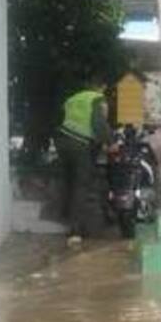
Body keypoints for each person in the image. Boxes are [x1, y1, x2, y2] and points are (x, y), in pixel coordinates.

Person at [54, 86, 111, 245]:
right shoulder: (97, 99)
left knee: (69, 182)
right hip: (79, 145)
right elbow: (98, 124)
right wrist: (110, 142)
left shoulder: (73, 98)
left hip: (62, 141)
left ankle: (65, 219)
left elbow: (62, 119)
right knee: (81, 186)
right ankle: (75, 232)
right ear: (101, 88)